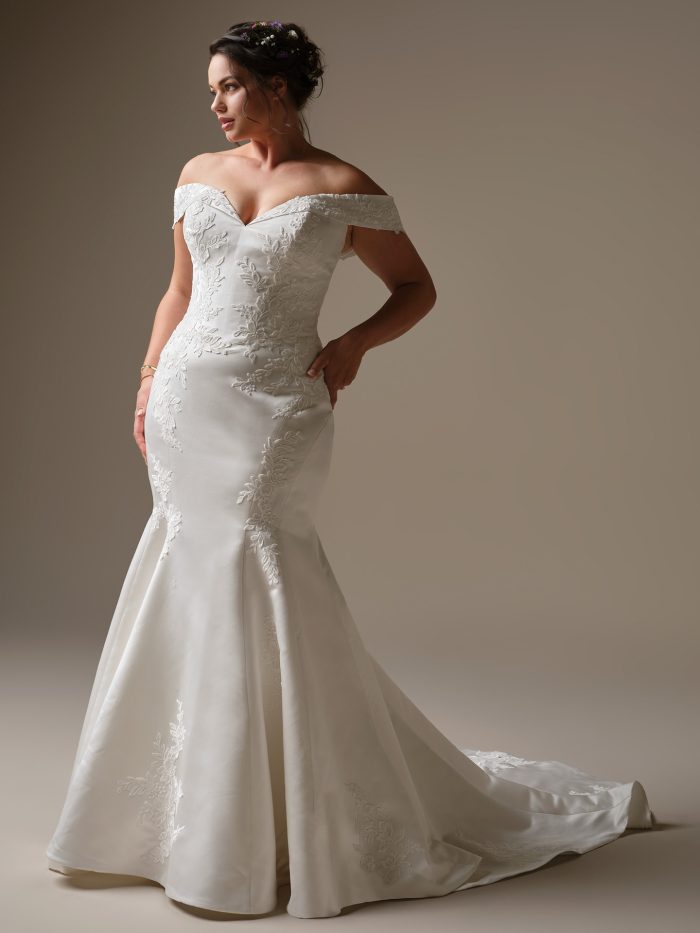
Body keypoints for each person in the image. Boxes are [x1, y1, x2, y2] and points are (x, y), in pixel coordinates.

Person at [46, 20, 654, 920]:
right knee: (188, 571)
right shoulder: (194, 175)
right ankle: (182, 817)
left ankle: (279, 818)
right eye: (210, 89)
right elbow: (178, 289)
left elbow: (418, 288)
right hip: (186, 404)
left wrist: (355, 346)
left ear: (278, 86)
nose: (214, 103)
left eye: (228, 86)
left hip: (277, 409)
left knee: (258, 566)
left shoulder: (342, 188)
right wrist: (145, 381)